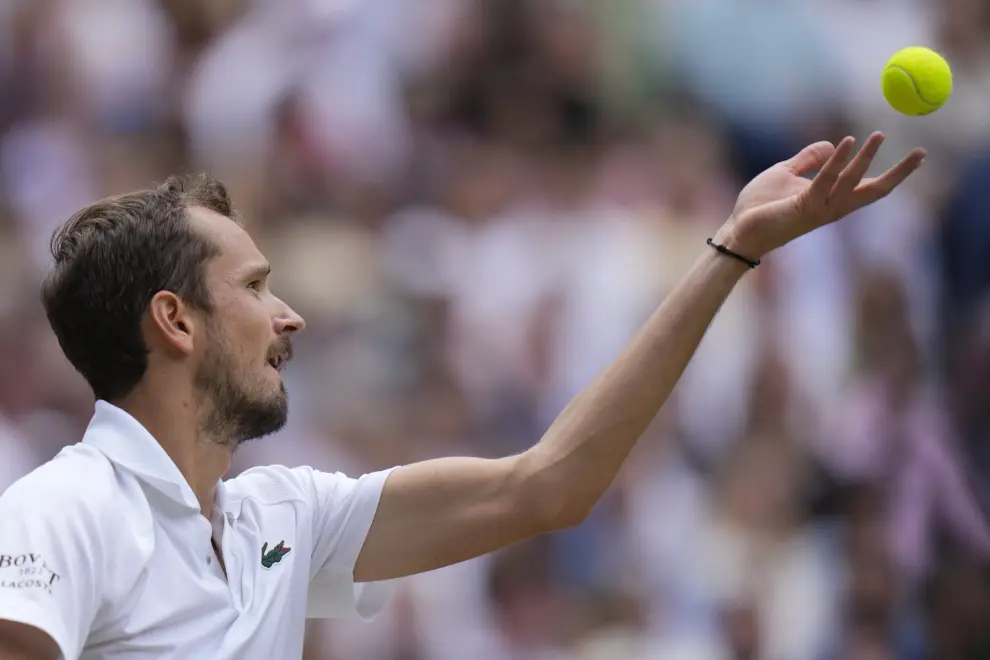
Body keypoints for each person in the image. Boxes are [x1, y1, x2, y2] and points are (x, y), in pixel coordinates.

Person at [0, 133, 923, 659]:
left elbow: (548, 486)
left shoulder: (283, 516)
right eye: (253, 287)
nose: (290, 317)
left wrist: (730, 252)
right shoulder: (62, 511)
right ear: (176, 321)